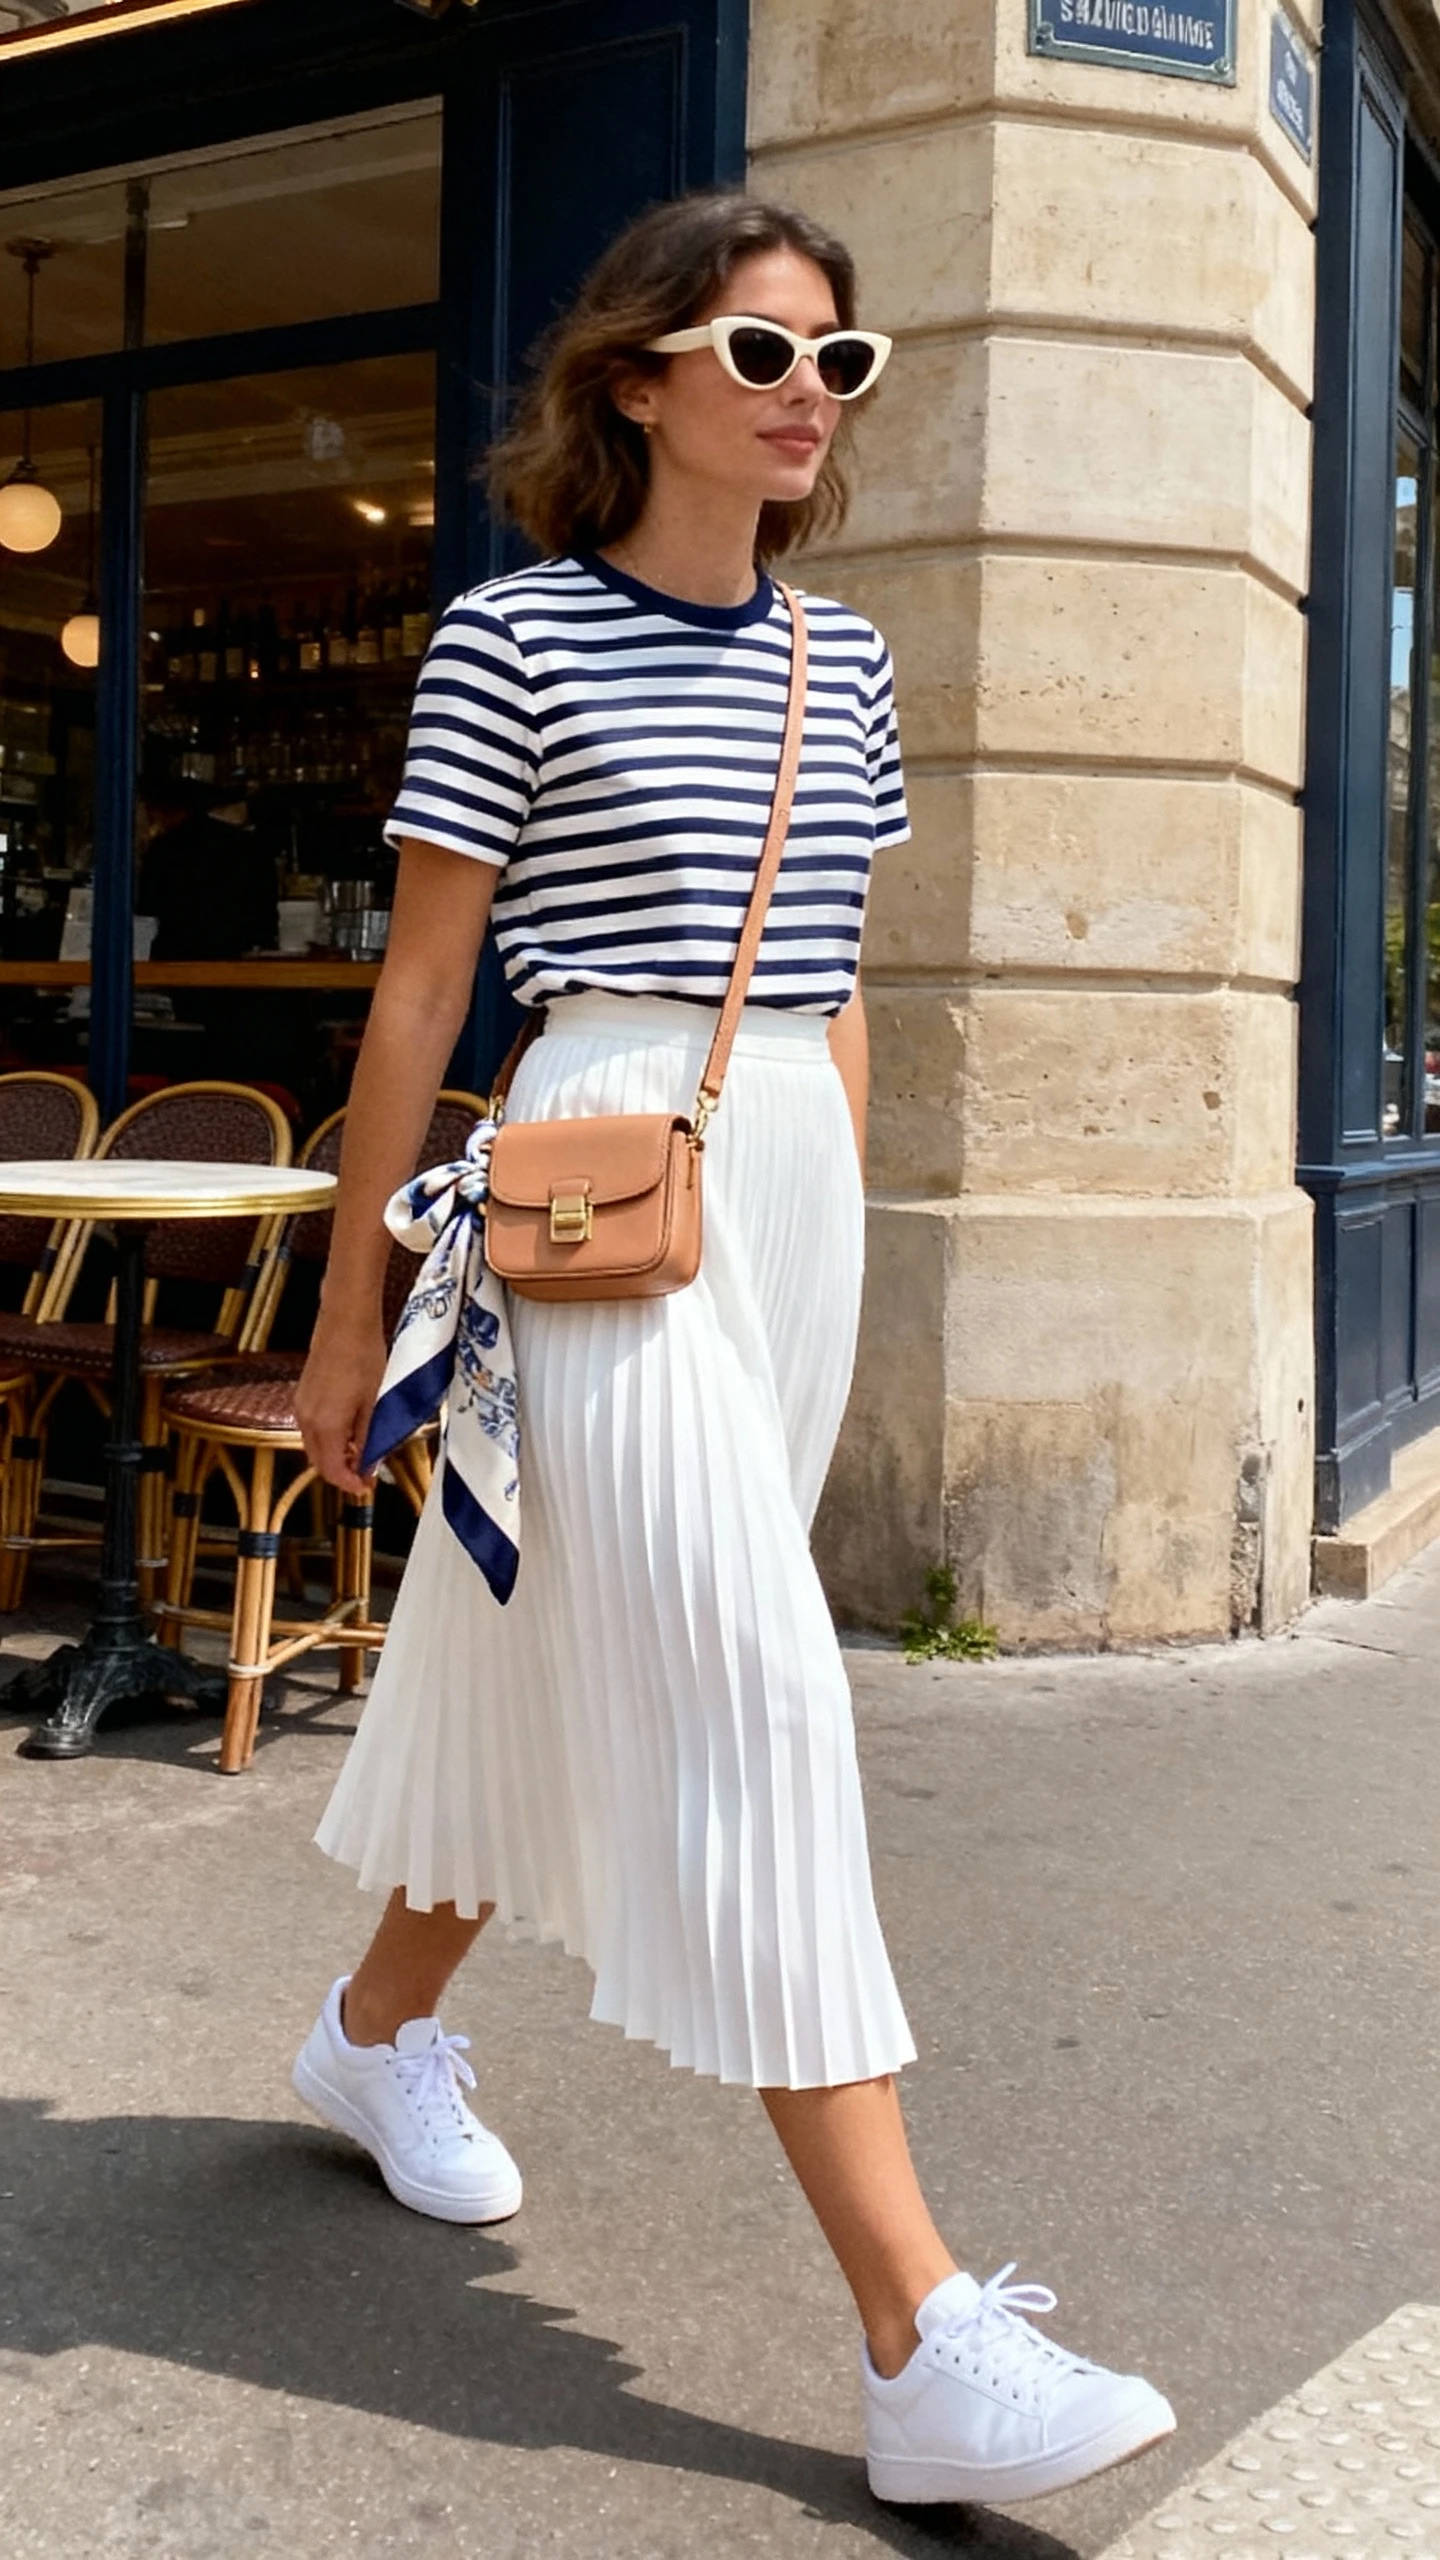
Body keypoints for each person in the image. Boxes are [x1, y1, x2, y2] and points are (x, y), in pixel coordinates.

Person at [290, 189, 1176, 2510]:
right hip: (597, 1157)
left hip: (779, 1178)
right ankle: (921, 2325)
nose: (807, 396)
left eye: (838, 363)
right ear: (638, 378)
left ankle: (374, 2030)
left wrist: (834, 1225)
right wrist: (352, 1306)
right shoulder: (511, 632)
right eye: (761, 353)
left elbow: (837, 977)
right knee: (757, 1687)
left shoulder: (840, 662)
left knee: (545, 1659)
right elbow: (422, 985)